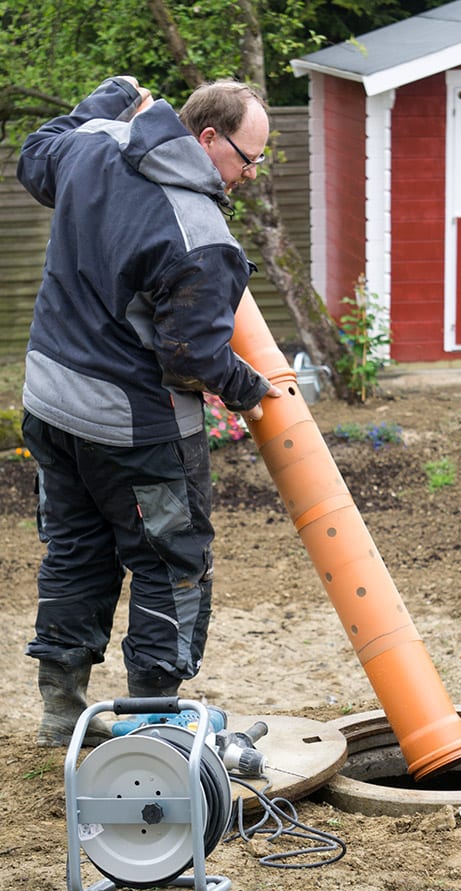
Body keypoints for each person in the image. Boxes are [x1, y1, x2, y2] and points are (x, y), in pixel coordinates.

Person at [17, 75, 281, 747]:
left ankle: (58, 713)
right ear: (208, 138)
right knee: (171, 563)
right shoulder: (201, 235)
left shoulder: (94, 147)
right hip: (134, 431)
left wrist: (108, 95)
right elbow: (191, 359)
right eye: (248, 158)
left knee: (77, 550)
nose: (251, 174)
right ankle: (151, 721)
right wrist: (255, 390)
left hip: (49, 403)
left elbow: (35, 151)